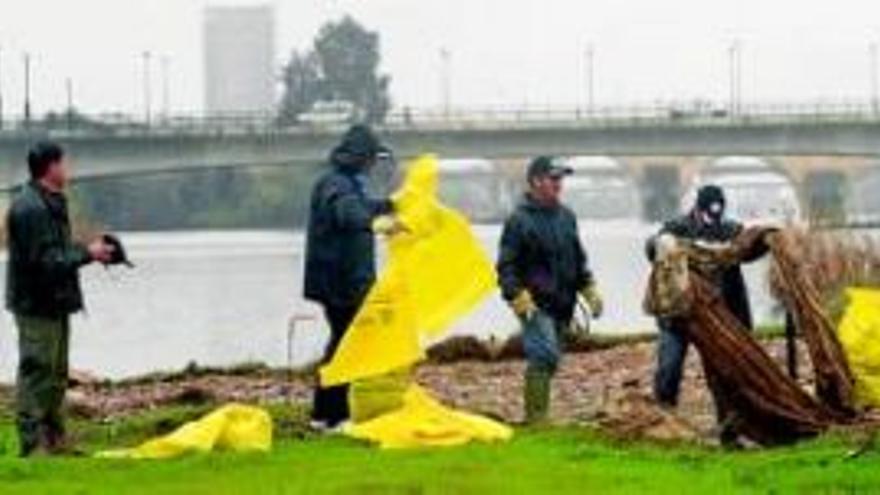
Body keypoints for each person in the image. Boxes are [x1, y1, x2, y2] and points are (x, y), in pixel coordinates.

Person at [5, 141, 114, 457]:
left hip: (56, 301)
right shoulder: (30, 208)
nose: (68, 169)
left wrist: (92, 253)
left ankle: (55, 439)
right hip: (35, 305)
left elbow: (59, 253)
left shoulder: (51, 202)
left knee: (56, 373)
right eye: (64, 163)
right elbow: (46, 260)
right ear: (50, 167)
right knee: (37, 370)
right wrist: (87, 253)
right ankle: (32, 444)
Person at [646, 184, 767, 446]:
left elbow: (749, 250)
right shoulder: (677, 227)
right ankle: (662, 423)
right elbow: (651, 249)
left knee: (724, 374)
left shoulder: (730, 230)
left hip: (718, 316)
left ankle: (729, 433)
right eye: (709, 212)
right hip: (680, 315)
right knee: (669, 367)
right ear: (698, 209)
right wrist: (659, 243)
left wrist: (766, 239)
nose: (714, 217)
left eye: (718, 212)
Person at [303, 124, 401, 431]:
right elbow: (348, 213)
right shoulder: (336, 185)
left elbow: (361, 207)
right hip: (338, 284)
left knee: (344, 345)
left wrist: (391, 205)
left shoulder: (346, 183)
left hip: (346, 282)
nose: (374, 164)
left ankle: (328, 414)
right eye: (372, 158)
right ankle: (332, 415)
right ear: (361, 157)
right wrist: (379, 224)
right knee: (346, 347)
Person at [497, 156, 604, 424]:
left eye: (560, 179)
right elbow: (506, 266)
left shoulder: (567, 217)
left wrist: (589, 287)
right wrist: (515, 295)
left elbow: (577, 258)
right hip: (533, 303)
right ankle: (536, 419)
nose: (559, 184)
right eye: (553, 179)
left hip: (563, 303)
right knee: (544, 354)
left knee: (551, 358)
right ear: (535, 181)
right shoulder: (518, 221)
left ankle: (536, 413)